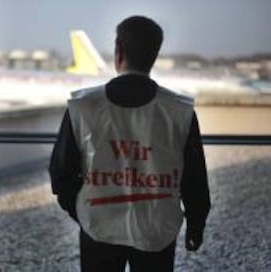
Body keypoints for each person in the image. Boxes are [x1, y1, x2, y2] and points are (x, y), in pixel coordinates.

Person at [49, 15, 210, 272]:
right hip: (157, 231)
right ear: (155, 54)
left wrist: (83, 211)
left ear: (118, 51)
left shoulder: (83, 106)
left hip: (98, 227)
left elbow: (60, 173)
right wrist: (196, 223)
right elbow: (195, 179)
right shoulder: (179, 111)